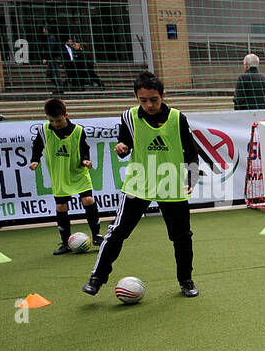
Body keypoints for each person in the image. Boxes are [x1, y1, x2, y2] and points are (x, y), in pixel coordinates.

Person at [84, 72, 205, 298]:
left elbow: (191, 151)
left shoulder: (178, 118)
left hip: (171, 184)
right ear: (136, 97)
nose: (149, 105)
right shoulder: (128, 117)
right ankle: (97, 278)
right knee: (117, 232)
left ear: (163, 96)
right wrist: (122, 148)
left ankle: (186, 281)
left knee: (182, 237)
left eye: (154, 100)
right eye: (143, 100)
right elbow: (126, 143)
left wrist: (191, 178)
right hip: (138, 183)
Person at [30, 98, 102, 255]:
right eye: (52, 121)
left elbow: (84, 147)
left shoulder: (78, 130)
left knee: (88, 200)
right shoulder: (44, 130)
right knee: (61, 207)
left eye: (58, 120)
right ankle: (65, 243)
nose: (55, 124)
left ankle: (96, 235)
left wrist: (85, 159)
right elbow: (37, 146)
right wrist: (35, 160)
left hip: (78, 172)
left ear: (66, 115)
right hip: (59, 176)